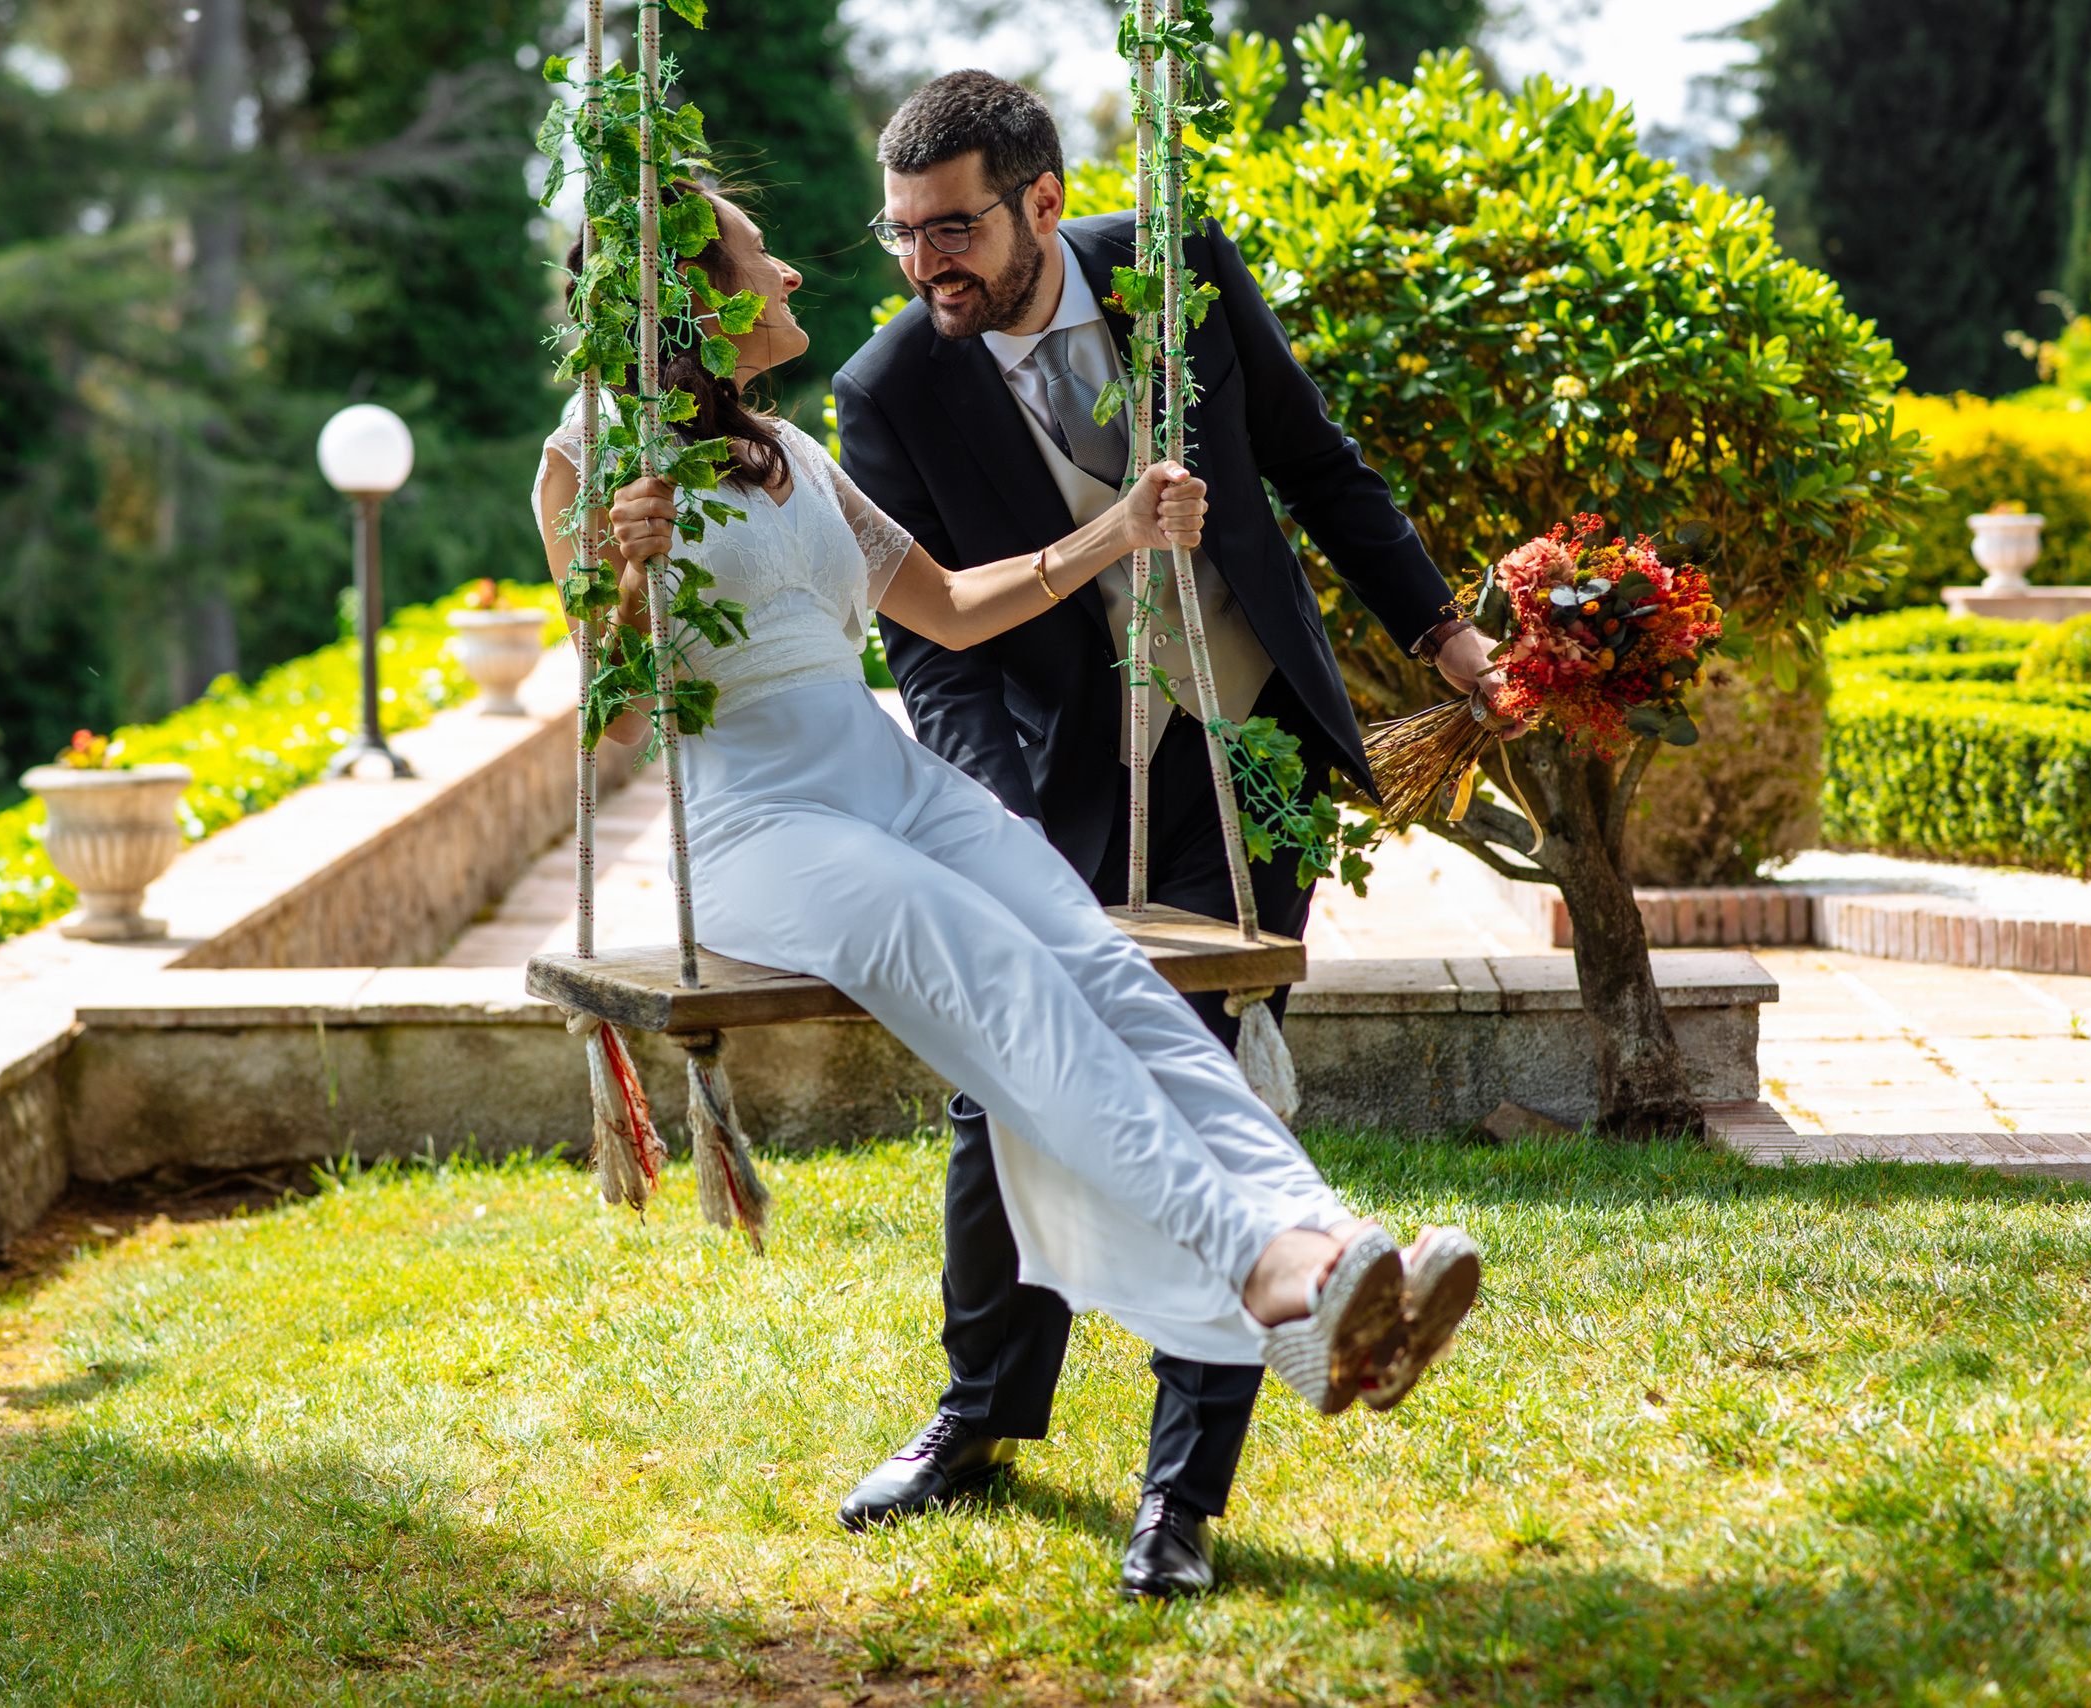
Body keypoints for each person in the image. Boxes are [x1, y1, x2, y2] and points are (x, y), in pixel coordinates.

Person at [535, 178, 1483, 1596]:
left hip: (888, 779)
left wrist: (1123, 535)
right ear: (694, 300)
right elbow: (613, 715)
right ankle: (1265, 1267)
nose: (791, 269)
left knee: (1109, 966)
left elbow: (958, 604)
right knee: (1008, 982)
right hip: (760, 825)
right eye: (756, 254)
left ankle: (1329, 1245)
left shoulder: (790, 448)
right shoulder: (592, 463)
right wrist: (626, 575)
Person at [827, 72, 1510, 1596]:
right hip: (1050, 776)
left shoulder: (1176, 267)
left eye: (954, 228)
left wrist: (1447, 637)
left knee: (1213, 1075)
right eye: (902, 235)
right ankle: (979, 1419)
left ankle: (1180, 1496)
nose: (926, 262)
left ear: (1043, 204)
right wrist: (994, 807)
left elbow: (1320, 468)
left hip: (1244, 735)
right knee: (1005, 1088)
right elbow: (931, 648)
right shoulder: (889, 391)